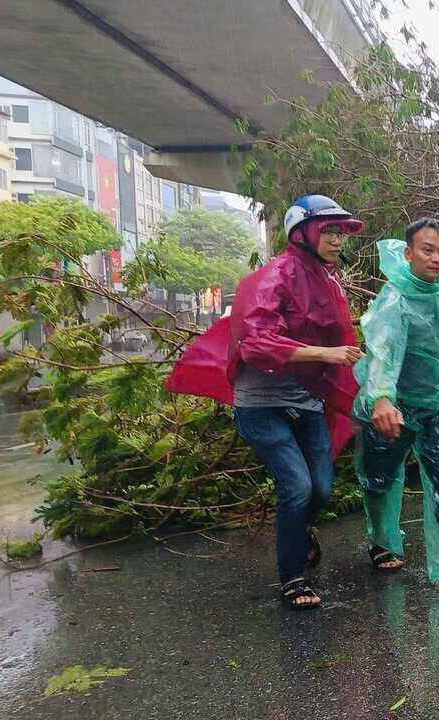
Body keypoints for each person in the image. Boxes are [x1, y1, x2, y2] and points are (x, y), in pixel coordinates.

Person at [165, 194, 364, 610]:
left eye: (340, 232)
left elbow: (340, 338)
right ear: (303, 232)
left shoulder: (329, 281)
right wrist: (326, 355)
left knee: (322, 488)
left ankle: (299, 530)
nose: (337, 239)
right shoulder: (270, 278)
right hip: (261, 403)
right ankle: (293, 578)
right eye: (329, 231)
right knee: (297, 486)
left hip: (307, 401)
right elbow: (256, 343)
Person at [353, 218, 439, 596]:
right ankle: (383, 542)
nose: (437, 258)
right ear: (409, 252)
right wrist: (381, 397)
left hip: (438, 402)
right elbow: (382, 349)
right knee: (379, 477)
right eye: (428, 250)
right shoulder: (395, 296)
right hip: (392, 403)